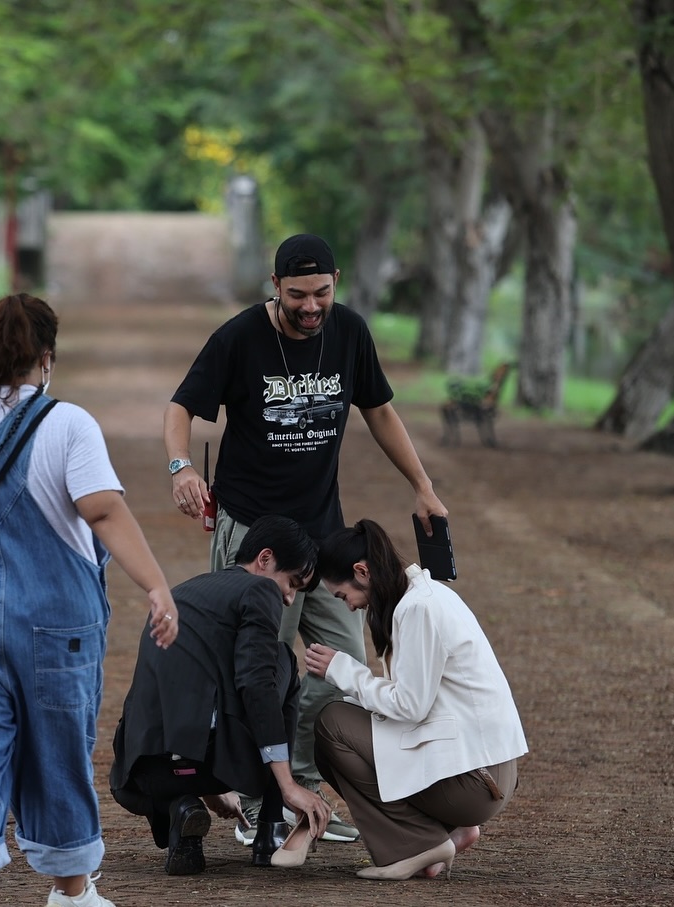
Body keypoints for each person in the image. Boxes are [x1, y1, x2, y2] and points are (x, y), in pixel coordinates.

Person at [0, 293, 179, 907]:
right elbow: (102, 509)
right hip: (58, 623)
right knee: (58, 748)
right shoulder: (67, 423)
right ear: (45, 358)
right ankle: (72, 891)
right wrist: (156, 585)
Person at [164, 232, 448, 843]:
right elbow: (181, 407)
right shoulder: (240, 337)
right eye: (298, 296)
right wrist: (181, 467)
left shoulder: (348, 332)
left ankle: (300, 789)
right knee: (257, 666)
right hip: (255, 540)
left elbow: (379, 411)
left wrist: (422, 485)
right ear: (276, 288)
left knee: (343, 664)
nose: (312, 307)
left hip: (324, 535)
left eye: (322, 293)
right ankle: (249, 797)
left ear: (337, 283)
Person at [304, 518, 528, 880]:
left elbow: (410, 706)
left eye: (343, 596)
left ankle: (417, 844)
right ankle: (444, 833)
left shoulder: (417, 609)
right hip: (483, 770)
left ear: (362, 571)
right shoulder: (424, 597)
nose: (348, 608)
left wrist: (345, 671)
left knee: (332, 724)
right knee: (339, 731)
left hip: (476, 783)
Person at [108, 515, 331, 875]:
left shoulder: (184, 592)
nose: (290, 598)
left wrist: (208, 793)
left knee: (245, 667)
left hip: (138, 773)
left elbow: (187, 690)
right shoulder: (260, 591)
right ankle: (270, 828)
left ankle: (182, 806)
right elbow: (256, 685)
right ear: (265, 558)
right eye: (291, 583)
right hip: (210, 761)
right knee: (281, 660)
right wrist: (288, 784)